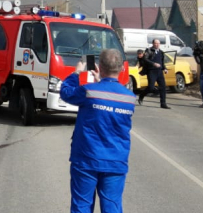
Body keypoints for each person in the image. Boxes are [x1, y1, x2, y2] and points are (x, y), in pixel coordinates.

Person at [60, 49, 135, 213]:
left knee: (82, 205)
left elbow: (66, 93)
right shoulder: (130, 97)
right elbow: (110, 100)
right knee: (112, 206)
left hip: (87, 159)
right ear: (122, 68)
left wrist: (77, 72)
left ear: (99, 66)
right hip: (115, 160)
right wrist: (102, 82)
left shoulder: (89, 91)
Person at [138, 39, 170, 109]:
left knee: (163, 87)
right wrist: (153, 64)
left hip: (159, 72)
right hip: (151, 71)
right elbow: (145, 59)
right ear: (153, 44)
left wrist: (164, 68)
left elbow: (162, 62)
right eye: (155, 43)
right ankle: (141, 95)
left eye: (158, 43)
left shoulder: (161, 52)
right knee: (151, 87)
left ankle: (163, 103)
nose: (157, 45)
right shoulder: (149, 51)